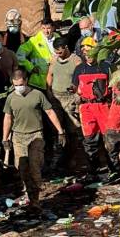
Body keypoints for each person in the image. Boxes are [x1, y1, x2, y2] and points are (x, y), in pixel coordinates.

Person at [2, 69, 65, 212]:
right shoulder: (11, 98)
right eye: (15, 85)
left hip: (35, 135)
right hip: (18, 137)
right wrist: (5, 138)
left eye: (20, 84)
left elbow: (49, 112)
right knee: (22, 167)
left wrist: (60, 131)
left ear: (26, 81)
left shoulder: (37, 95)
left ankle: (35, 200)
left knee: (35, 166)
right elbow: (8, 118)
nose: (19, 87)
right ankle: (29, 193)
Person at [72, 37, 113, 176]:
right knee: (90, 140)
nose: (88, 56)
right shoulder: (79, 69)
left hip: (103, 106)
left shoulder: (106, 67)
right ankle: (94, 171)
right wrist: (75, 96)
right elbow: (75, 87)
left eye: (90, 52)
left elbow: (113, 87)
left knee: (109, 139)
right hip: (87, 108)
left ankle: (114, 169)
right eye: (85, 53)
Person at [46, 37, 83, 172]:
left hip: (70, 98)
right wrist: (48, 90)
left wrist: (76, 94)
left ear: (66, 48)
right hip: (56, 97)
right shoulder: (54, 59)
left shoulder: (76, 61)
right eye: (56, 52)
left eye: (60, 52)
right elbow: (49, 74)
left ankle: (72, 157)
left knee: (72, 129)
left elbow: (81, 79)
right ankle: (58, 159)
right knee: (57, 129)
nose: (58, 55)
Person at [17, 18, 59, 90]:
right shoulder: (34, 41)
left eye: (48, 28)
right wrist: (31, 67)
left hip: (56, 80)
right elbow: (19, 55)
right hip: (38, 82)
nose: (46, 31)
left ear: (53, 28)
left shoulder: (59, 39)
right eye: (43, 28)